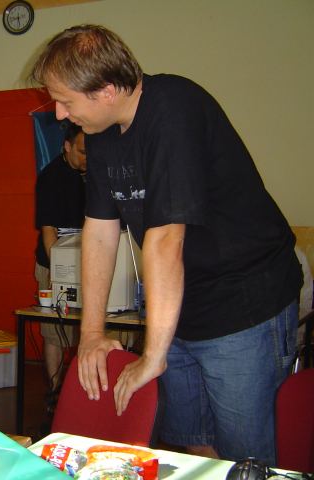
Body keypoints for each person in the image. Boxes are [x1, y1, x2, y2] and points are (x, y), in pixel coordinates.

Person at [30, 25, 302, 465]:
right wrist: (92, 333)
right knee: (194, 441)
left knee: (246, 458)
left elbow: (164, 240)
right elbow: (99, 231)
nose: (60, 114)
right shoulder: (100, 133)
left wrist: (152, 355)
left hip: (244, 302)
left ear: (107, 91)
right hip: (180, 306)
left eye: (66, 101)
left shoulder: (174, 109)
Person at [34, 120, 86, 393]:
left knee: (90, 327)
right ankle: (54, 392)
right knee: (54, 331)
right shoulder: (51, 178)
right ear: (67, 146)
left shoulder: (97, 174)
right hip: (54, 263)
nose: (87, 158)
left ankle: (81, 393)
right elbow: (48, 232)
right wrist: (59, 273)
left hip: (89, 264)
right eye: (82, 152)